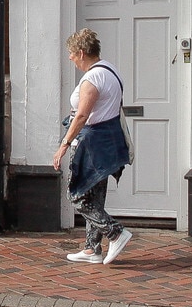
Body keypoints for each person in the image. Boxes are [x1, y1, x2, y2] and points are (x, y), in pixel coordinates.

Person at [52, 28, 133, 265]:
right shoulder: (111, 70)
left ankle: (115, 232)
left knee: (77, 196)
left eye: (71, 53)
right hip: (108, 142)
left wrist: (63, 145)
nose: (70, 58)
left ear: (81, 52)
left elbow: (82, 116)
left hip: (92, 144)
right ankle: (92, 249)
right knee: (95, 198)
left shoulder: (92, 78)